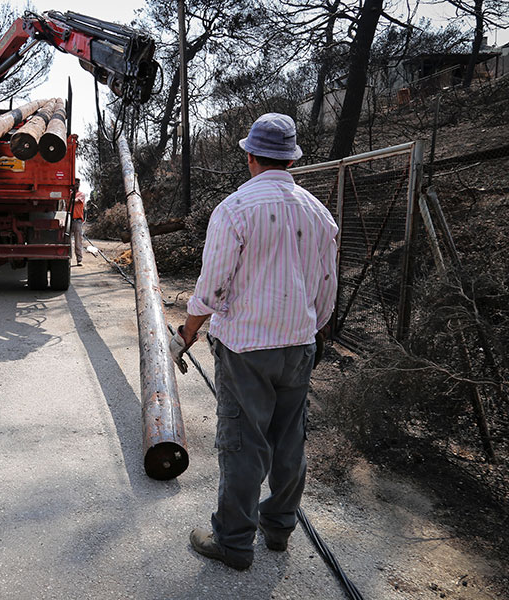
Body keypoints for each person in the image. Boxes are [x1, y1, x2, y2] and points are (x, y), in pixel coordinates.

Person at [168, 113, 338, 571]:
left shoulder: (236, 209)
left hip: (246, 349)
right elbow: (326, 288)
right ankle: (279, 528)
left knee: (244, 443)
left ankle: (234, 542)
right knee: (289, 439)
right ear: (292, 157)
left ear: (250, 157)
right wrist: (311, 331)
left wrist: (187, 333)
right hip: (299, 346)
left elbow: (213, 287)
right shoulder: (318, 213)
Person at [70, 189, 86, 266]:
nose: (76, 184)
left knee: (78, 241)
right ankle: (68, 259)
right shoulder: (69, 193)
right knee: (67, 241)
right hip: (68, 220)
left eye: (78, 182)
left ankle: (79, 260)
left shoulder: (81, 194)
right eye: (75, 182)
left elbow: (75, 201)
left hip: (77, 221)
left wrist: (68, 198)